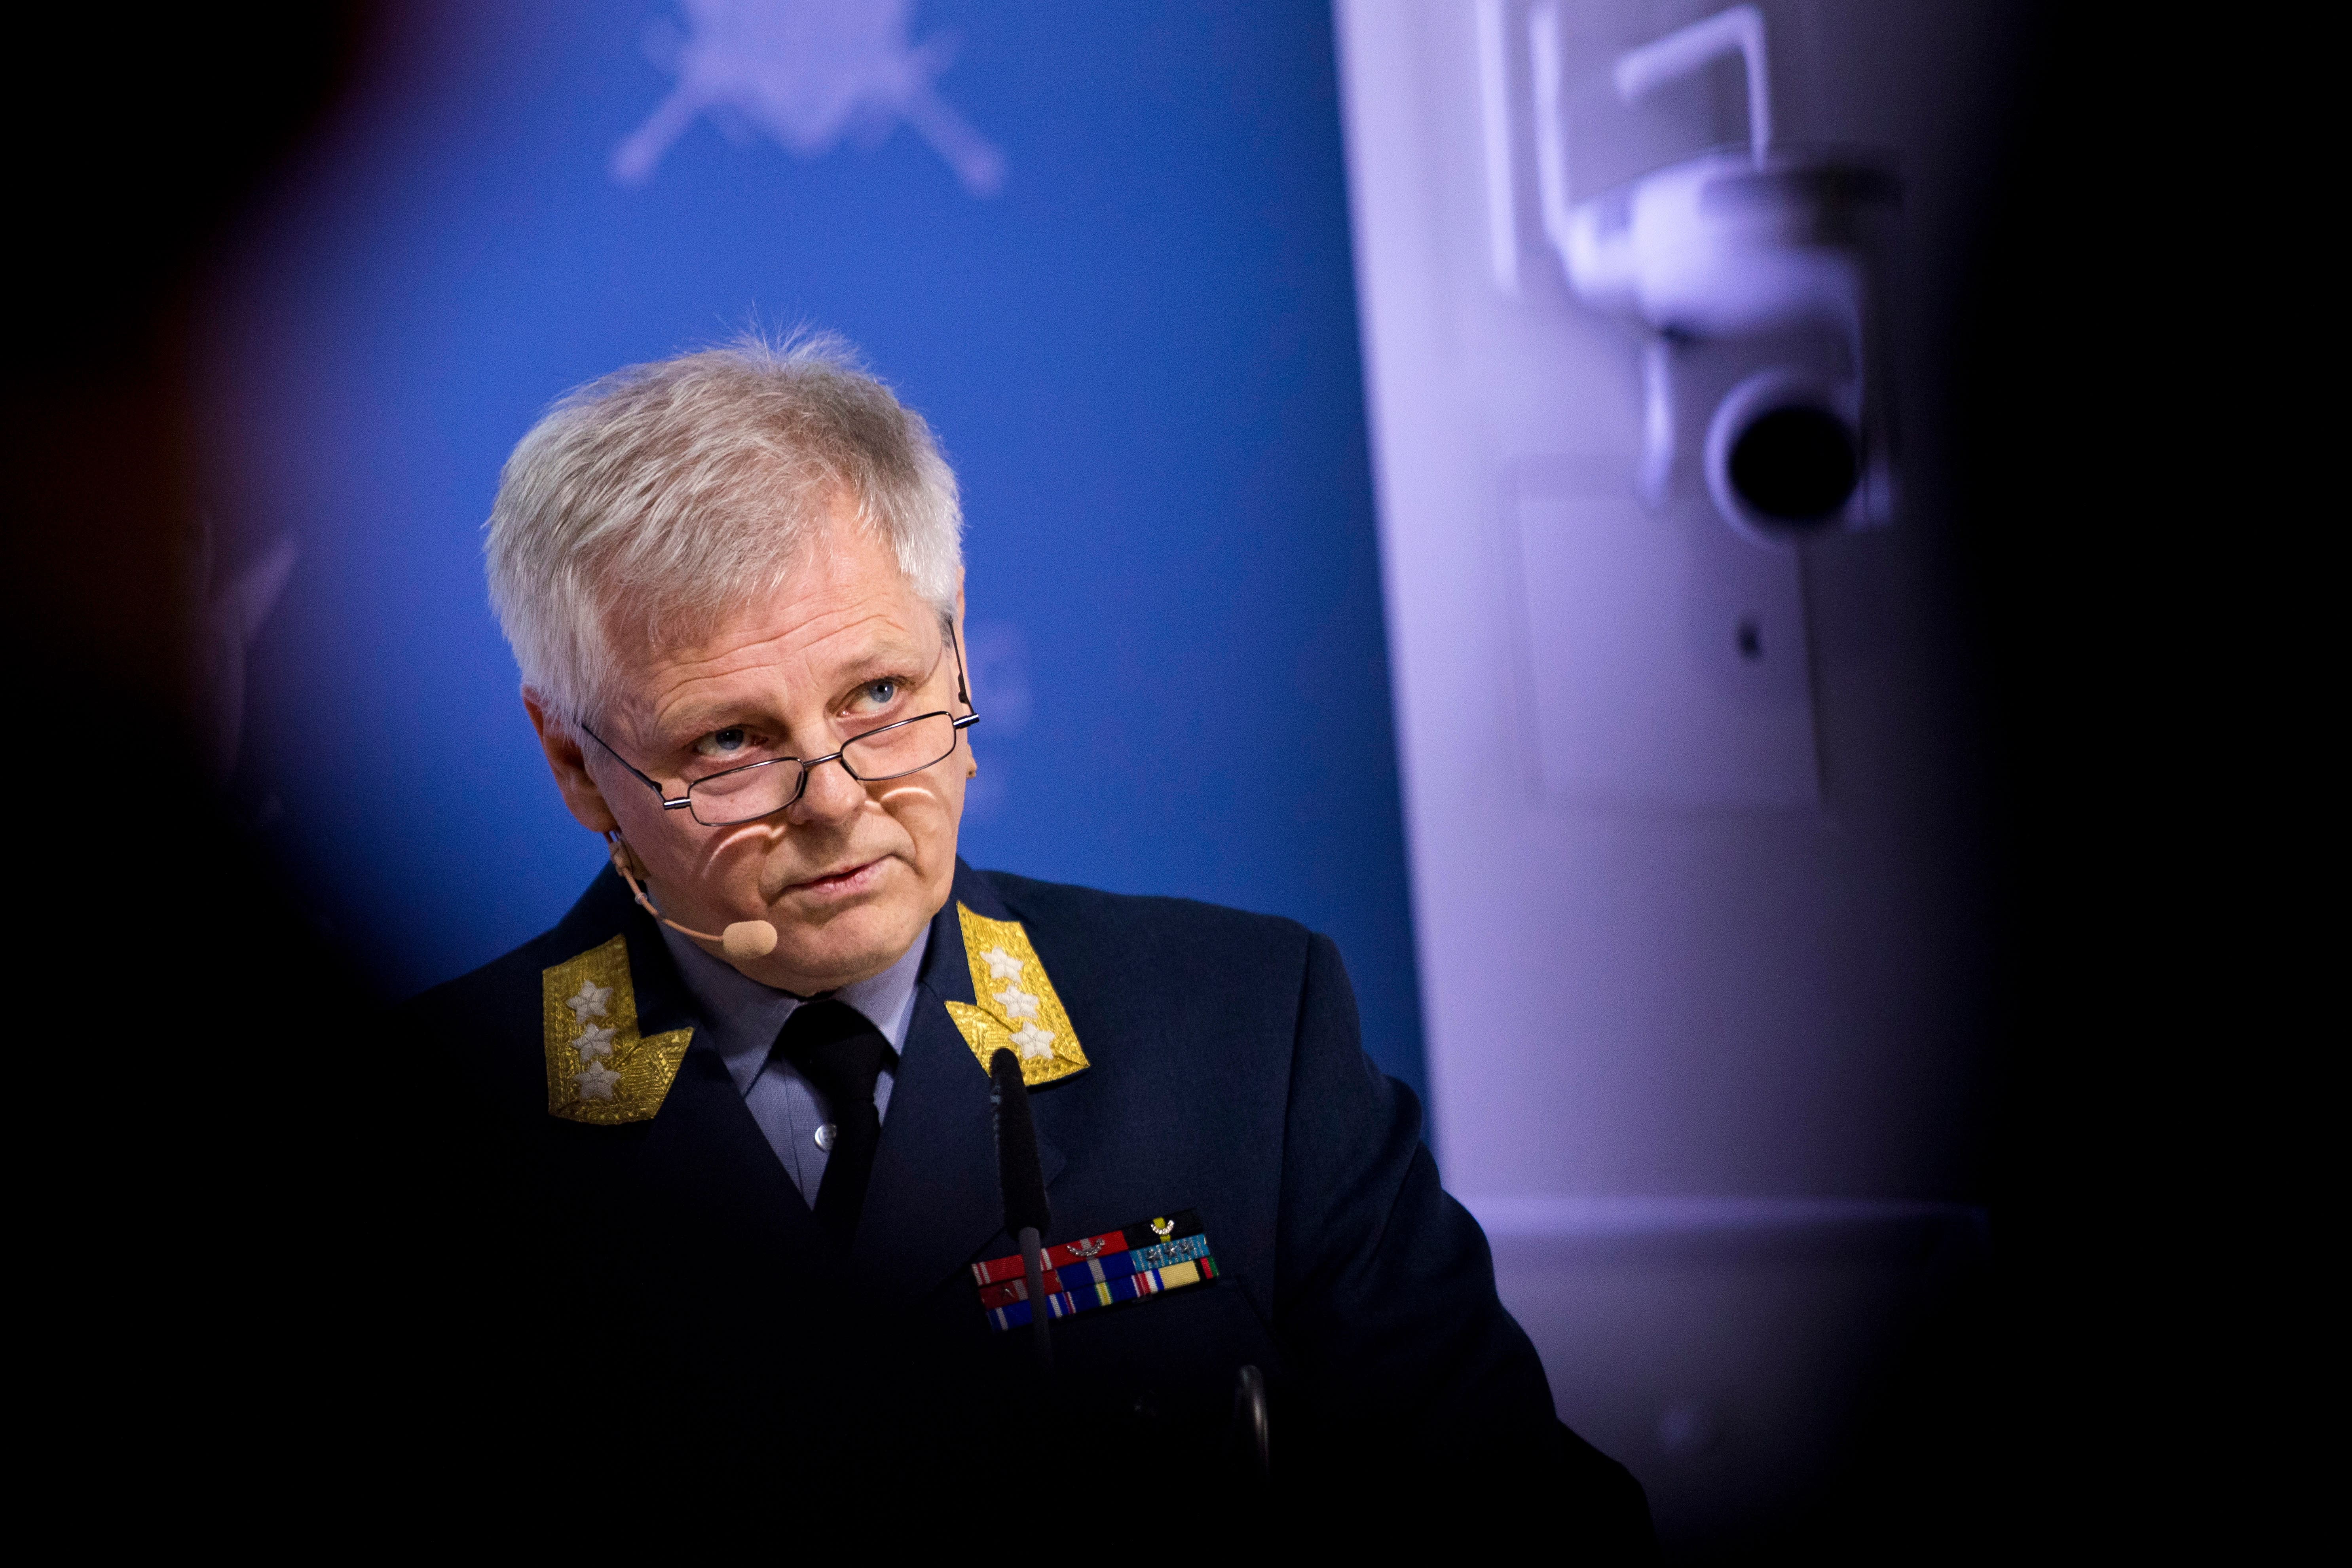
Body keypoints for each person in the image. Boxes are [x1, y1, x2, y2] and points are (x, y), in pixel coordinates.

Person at [404, 334, 1653, 1542]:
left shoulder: (1248, 1030)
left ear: (955, 646)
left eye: (878, 694)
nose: (834, 798)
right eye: (729, 741)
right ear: (576, 762)